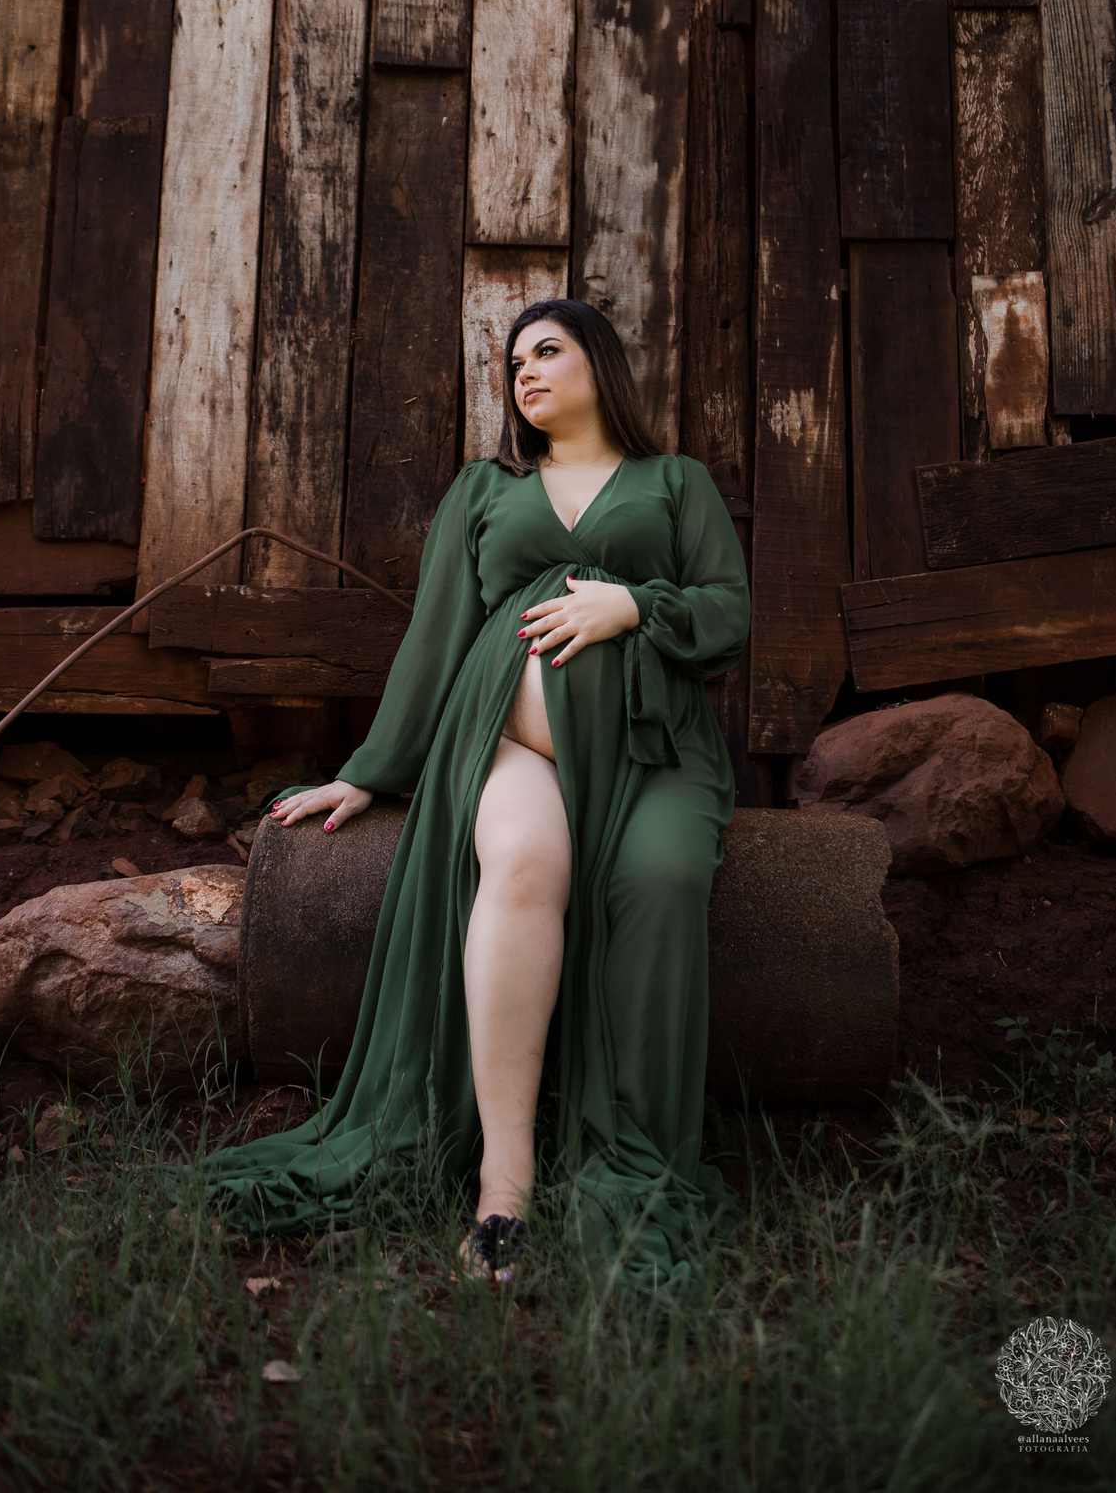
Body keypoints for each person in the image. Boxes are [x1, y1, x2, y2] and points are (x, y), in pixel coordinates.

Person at [184, 300, 751, 1283]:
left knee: (662, 881)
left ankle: (634, 1157)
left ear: (600, 364)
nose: (524, 371)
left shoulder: (675, 482)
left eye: (548, 351)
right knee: (522, 864)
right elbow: (437, 635)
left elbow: (729, 612)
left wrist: (632, 604)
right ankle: (504, 1187)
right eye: (514, 360)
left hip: (654, 751)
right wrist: (369, 772)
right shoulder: (487, 489)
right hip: (510, 742)